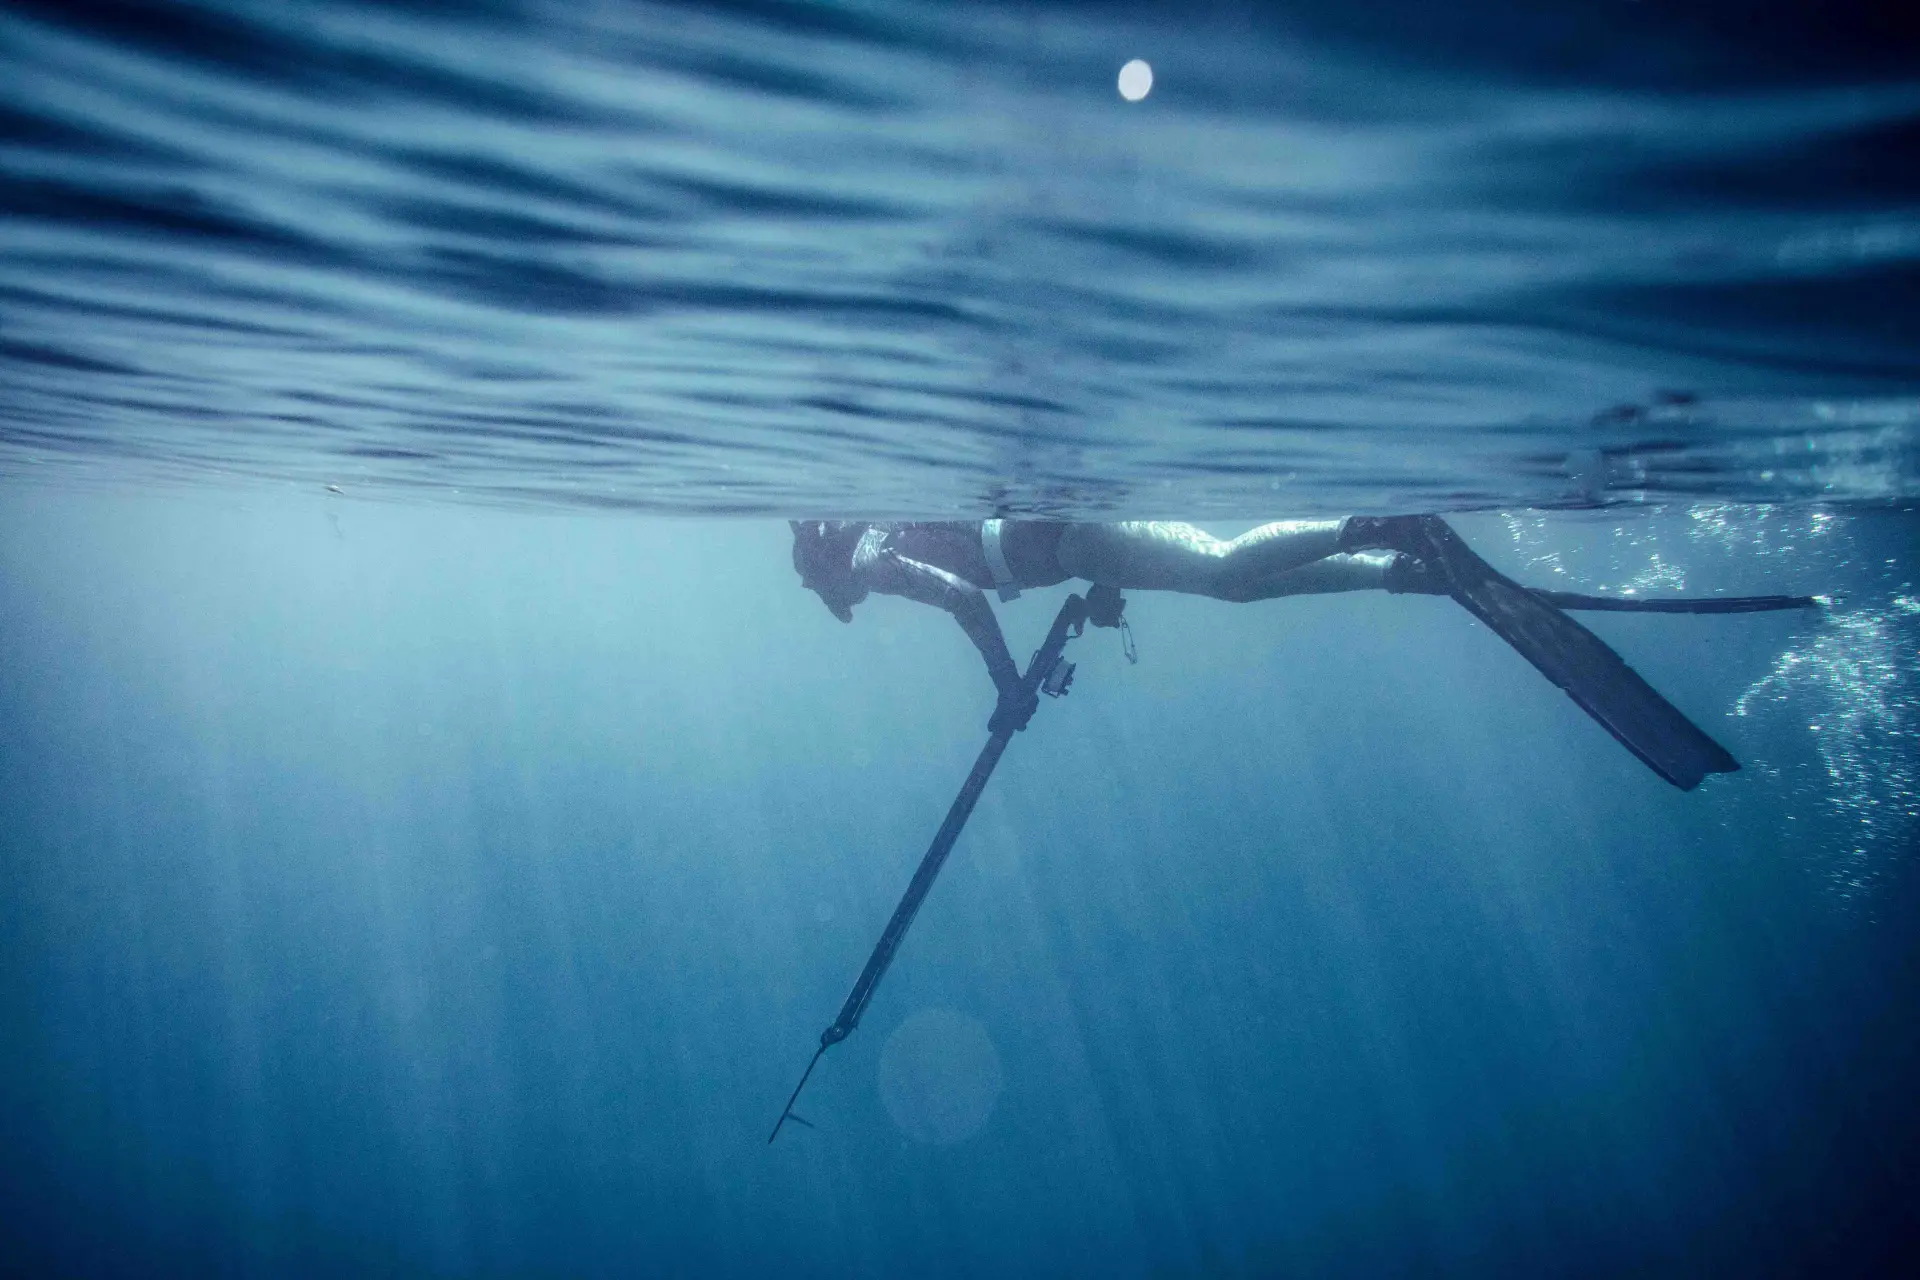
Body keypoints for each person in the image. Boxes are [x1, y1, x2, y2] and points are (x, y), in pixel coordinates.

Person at [789, 515, 1811, 790]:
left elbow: (966, 592)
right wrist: (1091, 596)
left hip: (1072, 537)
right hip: (1072, 543)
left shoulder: (871, 551)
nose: (842, 599)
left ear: (830, 562)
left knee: (1226, 572)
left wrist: (1008, 685)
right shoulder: (884, 531)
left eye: (827, 587)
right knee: (1235, 585)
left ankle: (1383, 527)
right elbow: (990, 560)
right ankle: (1397, 568)